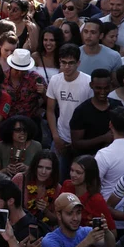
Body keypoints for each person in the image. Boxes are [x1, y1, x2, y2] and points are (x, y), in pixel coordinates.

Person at [46, 43, 92, 179]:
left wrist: (79, 141)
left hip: (81, 140)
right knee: (55, 177)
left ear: (78, 63)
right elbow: (50, 110)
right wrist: (55, 136)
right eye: (63, 62)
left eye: (71, 63)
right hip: (60, 136)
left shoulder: (87, 82)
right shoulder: (55, 80)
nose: (66, 67)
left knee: (78, 178)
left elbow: (90, 113)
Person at [69, 69, 121, 156]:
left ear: (111, 86)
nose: (102, 92)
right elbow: (76, 143)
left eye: (106, 88)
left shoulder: (117, 106)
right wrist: (103, 138)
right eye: (98, 88)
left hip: (113, 158)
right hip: (88, 160)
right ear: (91, 85)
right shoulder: (81, 111)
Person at [11, 151, 61, 226]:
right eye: (40, 167)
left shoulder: (57, 188)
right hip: (18, 228)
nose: (43, 172)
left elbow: (57, 220)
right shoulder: (20, 179)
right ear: (34, 167)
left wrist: (45, 211)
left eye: (48, 168)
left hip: (43, 232)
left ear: (53, 170)